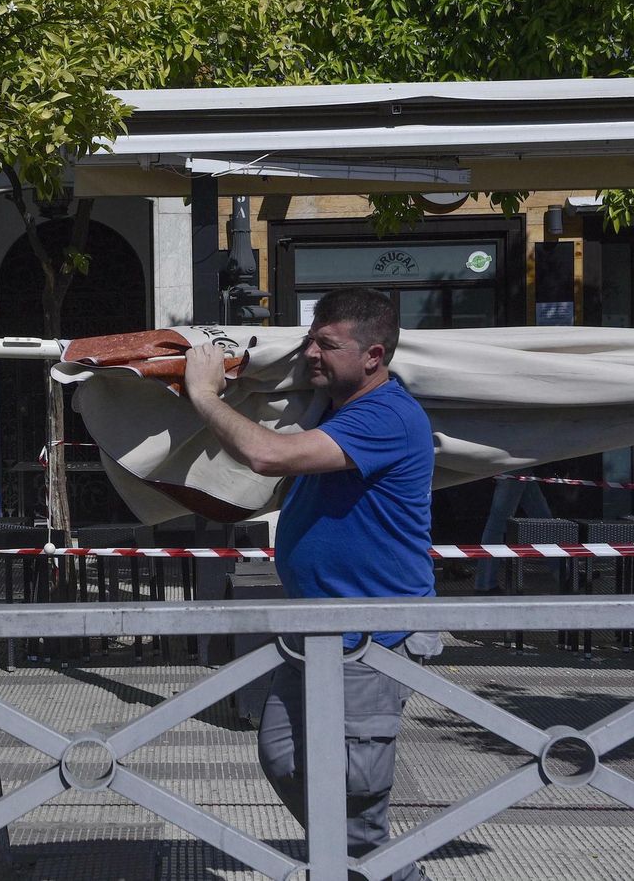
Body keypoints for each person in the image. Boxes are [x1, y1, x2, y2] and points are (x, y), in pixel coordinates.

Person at [183, 287, 436, 881]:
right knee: (283, 756)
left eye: (328, 344)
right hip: (317, 630)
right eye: (310, 341)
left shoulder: (387, 415)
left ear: (374, 356)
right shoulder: (334, 408)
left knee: (353, 791)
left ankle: (378, 872)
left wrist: (203, 393)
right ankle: (351, 864)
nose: (311, 354)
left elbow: (267, 455)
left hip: (370, 636)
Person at [476, 475, 554, 593]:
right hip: (516, 469)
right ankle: (485, 584)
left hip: (520, 469)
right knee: (498, 523)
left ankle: (563, 572)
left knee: (543, 518)